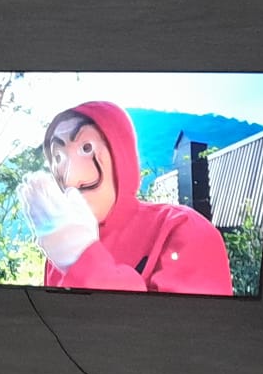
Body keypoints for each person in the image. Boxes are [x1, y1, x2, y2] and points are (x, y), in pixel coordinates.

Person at [17, 100, 234, 294]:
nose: (71, 178)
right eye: (58, 157)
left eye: (86, 147)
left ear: (121, 153)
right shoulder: (61, 246)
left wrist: (83, 260)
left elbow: (179, 325)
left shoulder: (182, 229)